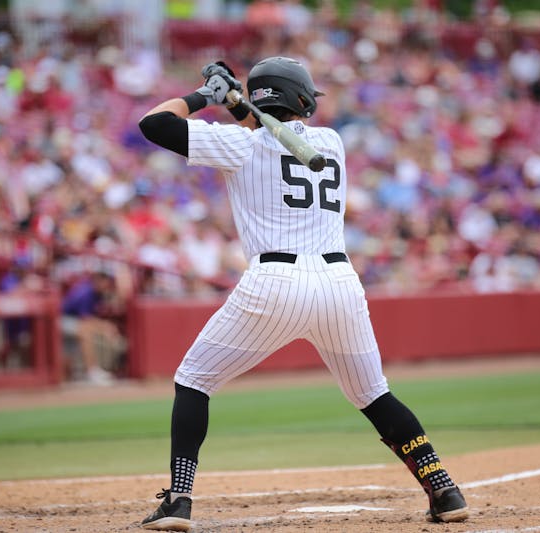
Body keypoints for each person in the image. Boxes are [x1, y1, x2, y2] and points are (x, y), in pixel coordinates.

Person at [136, 57, 469, 531]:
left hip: (273, 283)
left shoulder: (240, 147)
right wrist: (236, 100)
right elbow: (264, 127)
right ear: (301, 99)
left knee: (194, 380)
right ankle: (443, 488)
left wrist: (204, 97)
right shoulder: (331, 143)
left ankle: (180, 498)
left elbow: (154, 124)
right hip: (339, 284)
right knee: (375, 395)